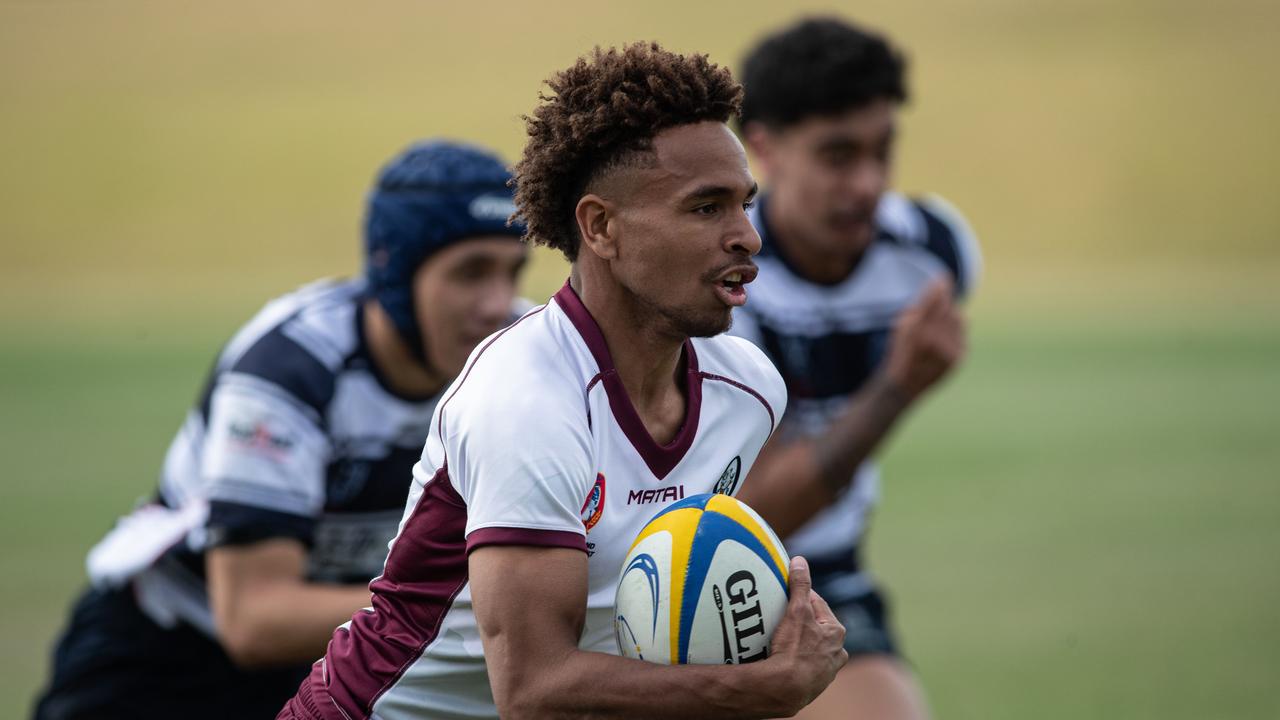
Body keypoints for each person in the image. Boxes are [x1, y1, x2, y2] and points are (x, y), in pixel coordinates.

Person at [277, 42, 847, 720]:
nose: (746, 237)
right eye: (706, 208)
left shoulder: (750, 390)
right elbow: (534, 687)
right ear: (601, 227)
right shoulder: (527, 402)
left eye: (744, 205)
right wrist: (754, 690)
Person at [32, 140, 531, 720]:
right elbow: (254, 619)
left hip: (347, 655)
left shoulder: (518, 357)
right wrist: (455, 604)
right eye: (470, 272)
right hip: (165, 661)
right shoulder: (290, 367)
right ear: (394, 271)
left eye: (512, 270)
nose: (498, 302)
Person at [731, 17, 982, 720]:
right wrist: (895, 390)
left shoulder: (934, 252)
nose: (868, 183)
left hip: (826, 580)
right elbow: (758, 510)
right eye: (838, 155)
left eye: (882, 150)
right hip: (694, 569)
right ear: (764, 150)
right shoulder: (723, 281)